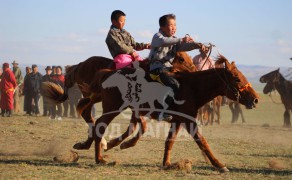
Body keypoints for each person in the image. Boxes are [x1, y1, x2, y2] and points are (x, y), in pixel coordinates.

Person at [148, 14, 207, 121]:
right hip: (157, 70)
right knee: (173, 84)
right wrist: (181, 40)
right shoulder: (157, 37)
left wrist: (197, 45)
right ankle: (163, 112)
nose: (174, 27)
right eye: (171, 25)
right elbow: (164, 42)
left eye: (175, 25)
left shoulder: (175, 40)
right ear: (162, 27)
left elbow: (185, 46)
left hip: (168, 69)